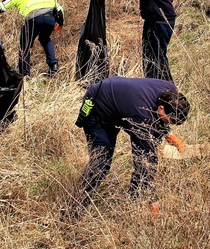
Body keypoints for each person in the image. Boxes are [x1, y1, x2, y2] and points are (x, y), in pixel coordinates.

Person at [70, 76, 190, 215]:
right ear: (161, 108)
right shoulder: (142, 115)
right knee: (101, 163)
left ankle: (133, 201)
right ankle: (72, 210)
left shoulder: (171, 90)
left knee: (149, 148)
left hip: (118, 101)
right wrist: (153, 202)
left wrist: (171, 137)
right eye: (171, 121)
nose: (171, 124)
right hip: (97, 106)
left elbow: (157, 126)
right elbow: (144, 160)